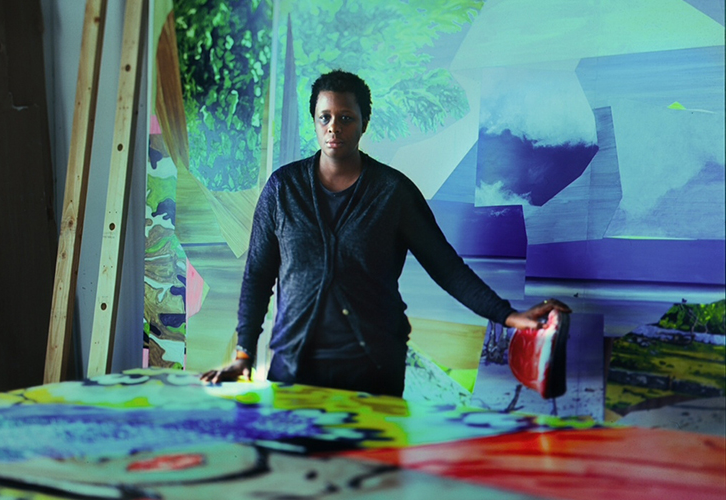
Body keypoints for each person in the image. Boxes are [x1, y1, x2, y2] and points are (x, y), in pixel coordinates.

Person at [200, 70, 571, 396]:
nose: (334, 127)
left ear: (364, 122)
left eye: (345, 117)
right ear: (313, 121)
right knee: (297, 471)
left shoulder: (393, 192)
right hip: (295, 367)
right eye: (324, 117)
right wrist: (243, 355)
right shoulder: (283, 189)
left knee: (371, 473)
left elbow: (446, 267)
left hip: (373, 367)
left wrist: (507, 316)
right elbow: (258, 277)